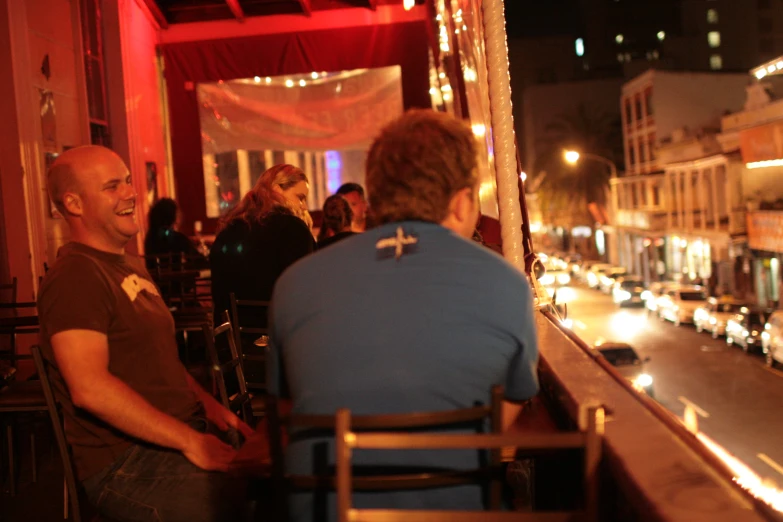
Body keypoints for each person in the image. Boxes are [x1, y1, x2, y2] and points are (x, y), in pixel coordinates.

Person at [270, 110, 540, 521]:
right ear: (464, 201)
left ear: (375, 199)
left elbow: (287, 408)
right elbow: (509, 407)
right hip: (457, 511)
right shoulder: (507, 284)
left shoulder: (293, 283)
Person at [37, 145, 263, 521]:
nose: (130, 193)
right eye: (112, 186)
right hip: (126, 464)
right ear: (74, 204)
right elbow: (88, 388)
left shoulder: (130, 264)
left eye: (127, 181)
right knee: (254, 506)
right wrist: (191, 441)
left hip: (178, 433)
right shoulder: (76, 275)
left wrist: (214, 410)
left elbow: (162, 362)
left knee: (295, 475)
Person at [210, 164, 315, 320]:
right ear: (277, 189)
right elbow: (307, 288)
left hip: (232, 334)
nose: (304, 206)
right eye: (300, 197)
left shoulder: (229, 229)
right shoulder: (293, 229)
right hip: (277, 333)